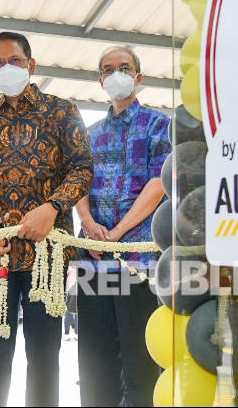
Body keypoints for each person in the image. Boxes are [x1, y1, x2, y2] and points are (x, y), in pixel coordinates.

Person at [0, 31, 93, 407]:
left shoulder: (62, 111)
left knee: (45, 355)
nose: (6, 68)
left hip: (46, 256)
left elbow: (82, 168)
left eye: (14, 60)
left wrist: (53, 208)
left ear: (31, 65)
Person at [75, 46, 171, 407]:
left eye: (124, 67)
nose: (116, 74)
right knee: (95, 363)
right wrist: (87, 222)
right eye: (108, 69)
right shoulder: (89, 132)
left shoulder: (160, 124)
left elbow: (158, 183)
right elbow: (78, 182)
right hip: (94, 259)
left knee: (139, 363)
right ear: (101, 80)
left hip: (140, 262)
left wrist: (118, 233)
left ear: (139, 77)